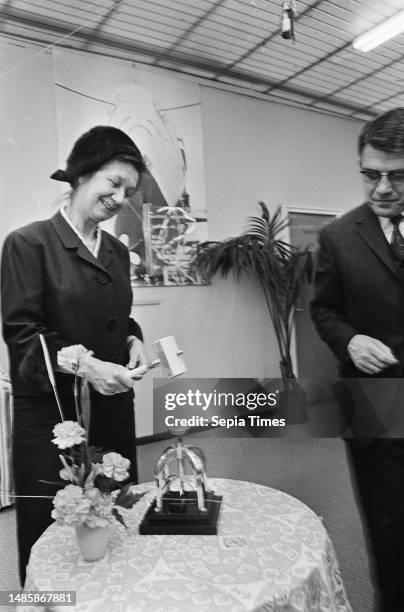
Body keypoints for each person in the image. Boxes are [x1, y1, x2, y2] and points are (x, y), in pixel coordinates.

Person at [1, 125, 149, 585]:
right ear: (81, 175)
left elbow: (118, 318)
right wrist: (87, 366)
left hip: (111, 411)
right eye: (113, 182)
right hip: (51, 421)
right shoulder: (29, 244)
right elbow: (23, 336)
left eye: (129, 190)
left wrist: (133, 340)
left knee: (113, 529)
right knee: (53, 542)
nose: (121, 197)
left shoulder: (117, 253)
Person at [310, 107, 404, 611]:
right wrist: (348, 341)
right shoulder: (338, 237)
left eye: (397, 175)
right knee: (389, 529)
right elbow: (322, 308)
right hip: (374, 405)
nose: (382, 187)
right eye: (371, 174)